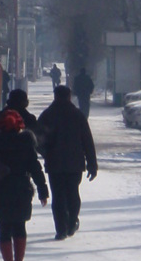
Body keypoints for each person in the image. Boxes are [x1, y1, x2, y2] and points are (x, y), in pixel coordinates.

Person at [0, 107, 49, 261]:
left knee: (3, 229)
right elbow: (35, 168)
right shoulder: (26, 143)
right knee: (19, 227)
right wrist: (43, 190)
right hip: (21, 189)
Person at [37, 85, 98, 239]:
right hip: (75, 163)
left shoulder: (47, 115)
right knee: (72, 193)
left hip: (54, 164)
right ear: (69, 96)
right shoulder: (77, 115)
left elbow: (37, 140)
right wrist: (92, 164)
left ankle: (61, 229)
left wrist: (47, 153)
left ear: (55, 96)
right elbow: (87, 141)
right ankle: (71, 223)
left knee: (58, 196)